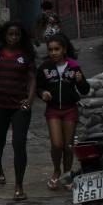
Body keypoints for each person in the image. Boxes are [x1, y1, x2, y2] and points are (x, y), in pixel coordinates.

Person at [0, 21, 37, 200]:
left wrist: (30, 99)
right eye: (10, 34)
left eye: (17, 35)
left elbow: (32, 78)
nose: (13, 38)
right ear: (4, 35)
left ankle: (19, 185)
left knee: (19, 143)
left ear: (21, 37)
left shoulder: (26, 55)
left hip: (20, 106)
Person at [36, 33, 90, 189]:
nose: (53, 52)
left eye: (57, 49)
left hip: (70, 110)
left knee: (68, 145)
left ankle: (67, 174)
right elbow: (39, 87)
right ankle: (56, 171)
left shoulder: (73, 67)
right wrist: (43, 93)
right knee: (56, 144)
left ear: (64, 49)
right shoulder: (45, 67)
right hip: (53, 110)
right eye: (50, 49)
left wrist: (80, 81)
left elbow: (85, 90)